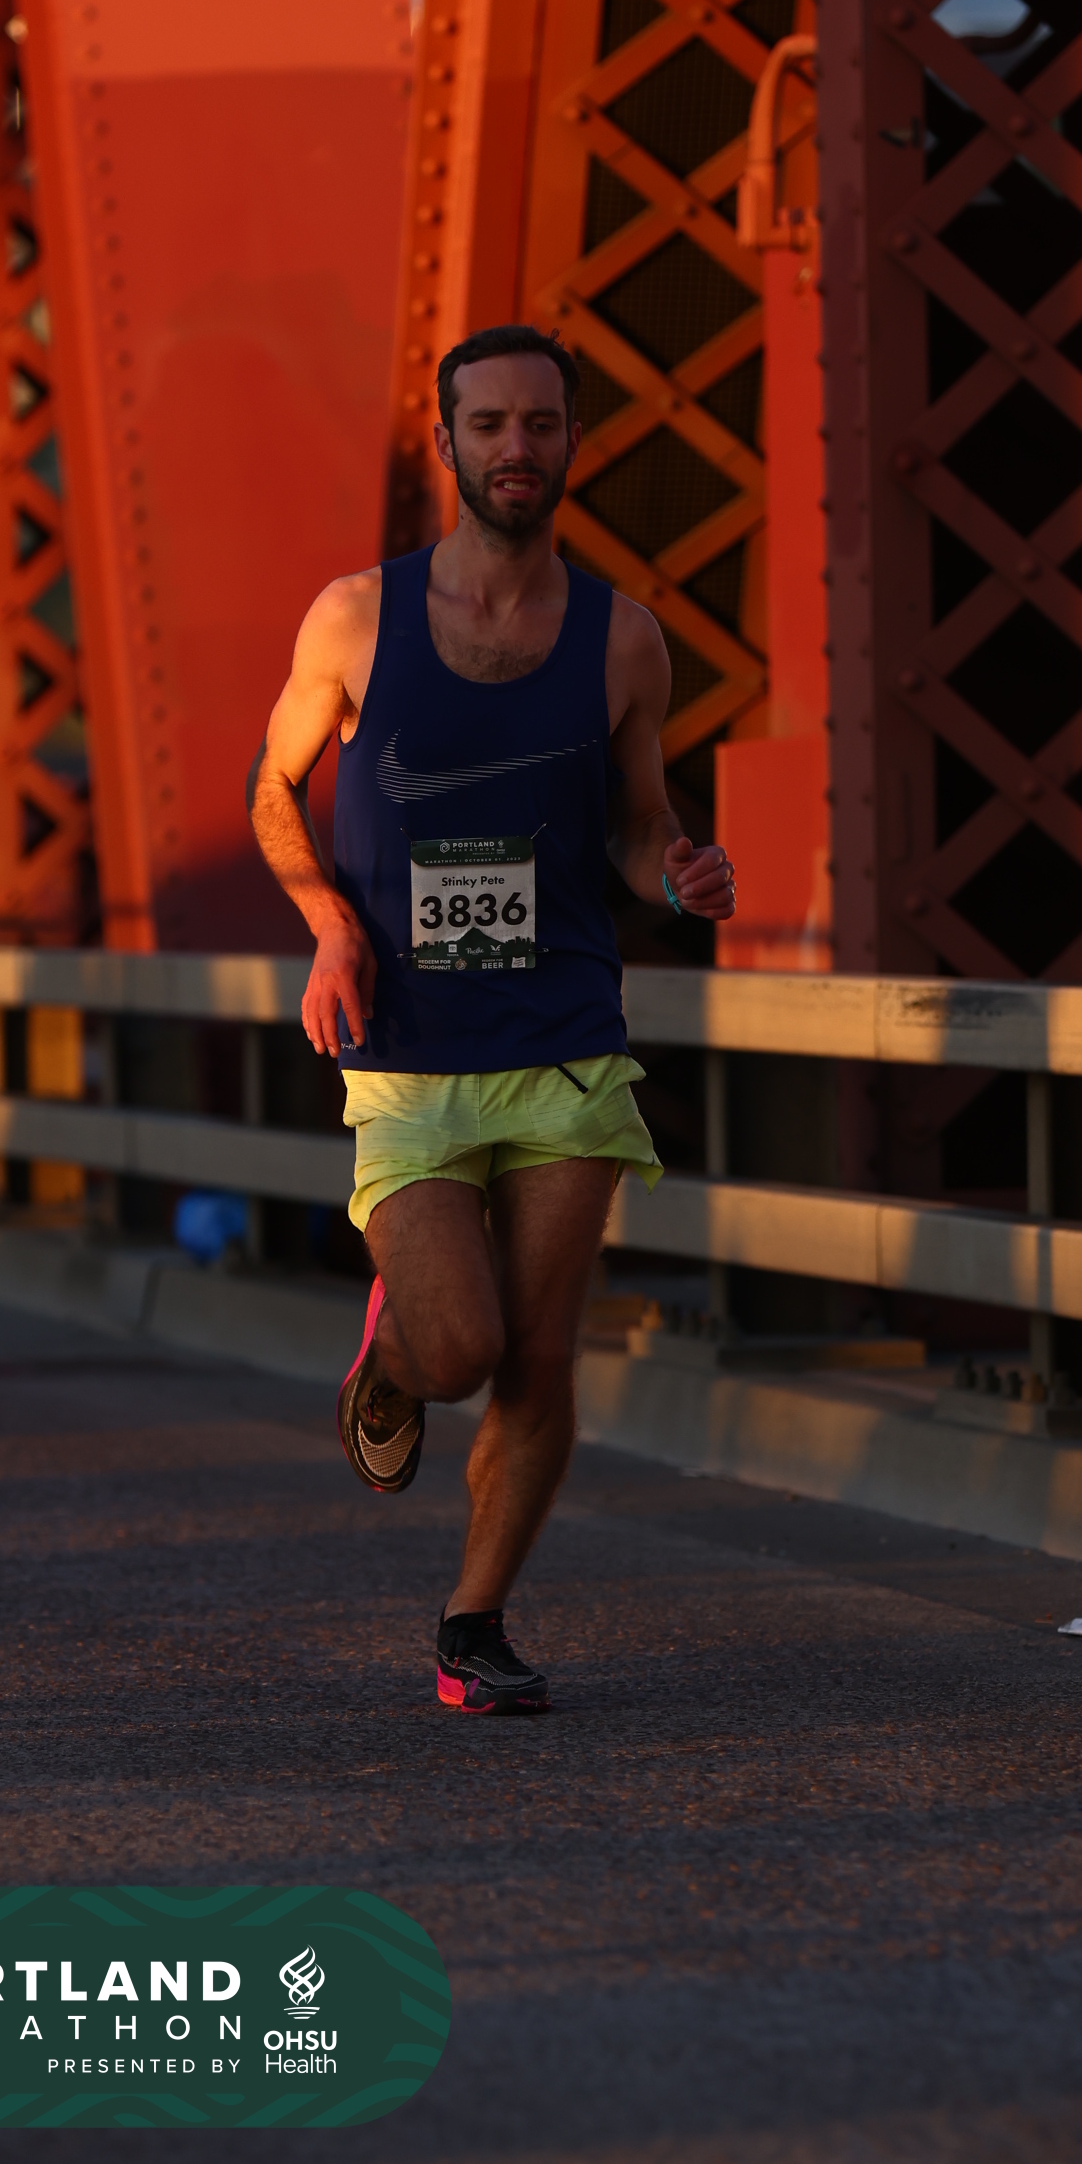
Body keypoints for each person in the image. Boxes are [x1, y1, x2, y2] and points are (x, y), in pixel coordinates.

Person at [249, 324, 734, 1712]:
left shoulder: (624, 639)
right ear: (447, 443)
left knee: (538, 1355)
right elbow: (272, 789)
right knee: (459, 1346)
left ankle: (475, 1625)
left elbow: (638, 830)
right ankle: (396, 1357)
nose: (516, 447)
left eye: (540, 424)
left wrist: (678, 874)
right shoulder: (356, 618)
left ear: (573, 441)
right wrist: (330, 920)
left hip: (565, 1042)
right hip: (408, 1049)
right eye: (489, 425)